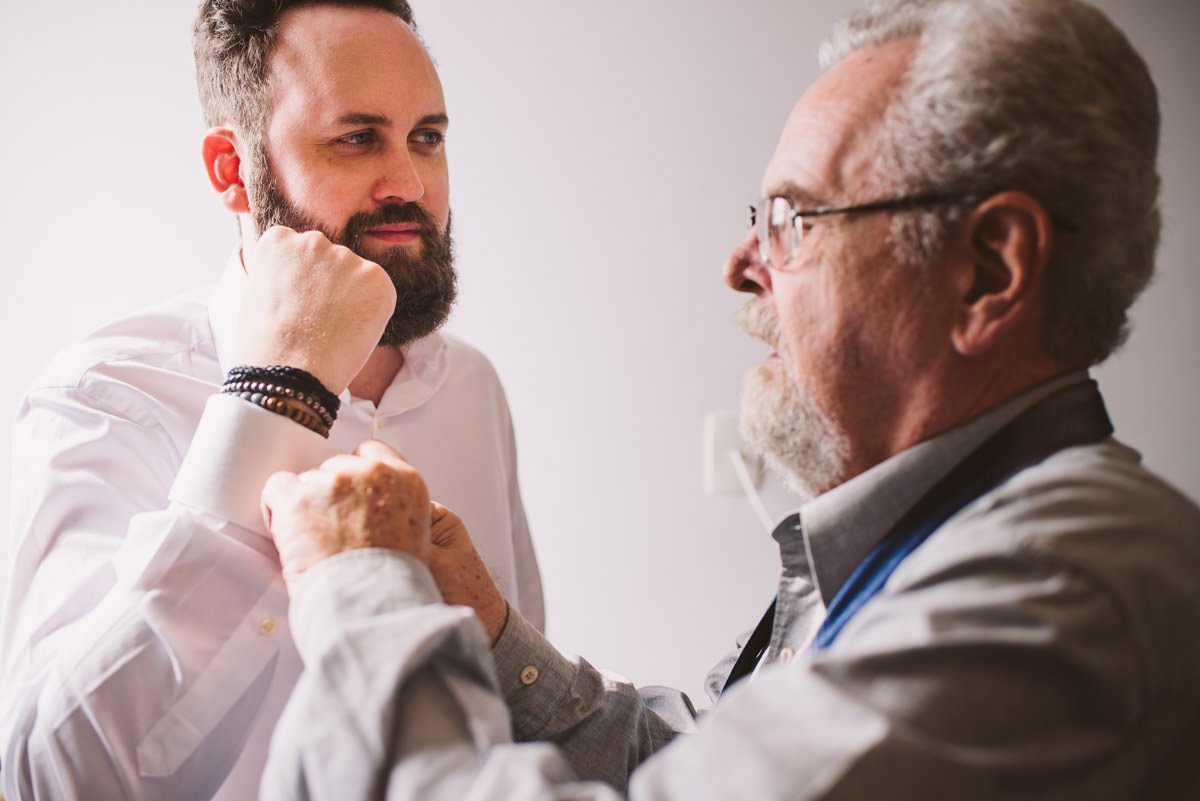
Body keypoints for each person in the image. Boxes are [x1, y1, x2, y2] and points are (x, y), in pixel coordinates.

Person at [252, 0, 1200, 798]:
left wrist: (363, 591)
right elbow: (706, 763)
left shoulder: (1051, 599)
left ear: (991, 269)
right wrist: (496, 635)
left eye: (794, 219)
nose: (742, 265)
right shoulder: (944, 545)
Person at [0, 1, 544, 799]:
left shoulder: (472, 387)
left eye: (426, 136)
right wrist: (275, 399)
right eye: (356, 138)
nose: (411, 183)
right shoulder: (105, 397)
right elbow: (48, 777)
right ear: (232, 168)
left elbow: (514, 704)